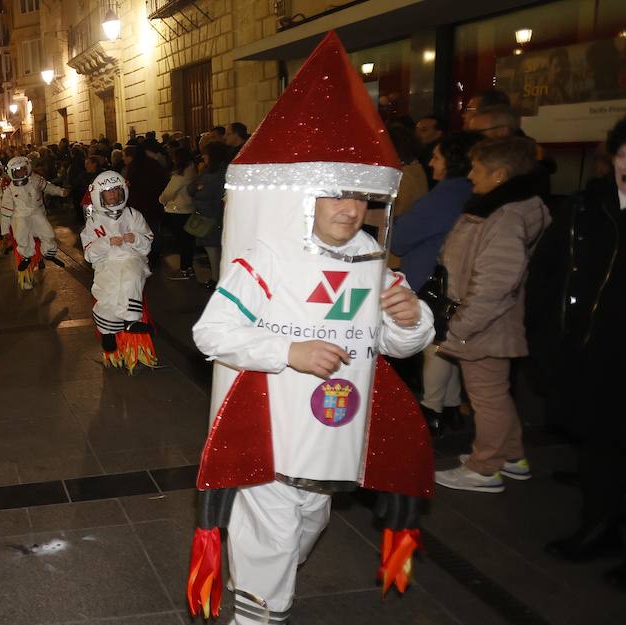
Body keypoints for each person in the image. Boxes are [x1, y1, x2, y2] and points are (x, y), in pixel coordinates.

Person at [186, 32, 435, 624]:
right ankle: (259, 613)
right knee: (270, 537)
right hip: (272, 424)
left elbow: (399, 343)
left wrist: (411, 319)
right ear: (306, 197)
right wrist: (289, 351)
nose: (349, 209)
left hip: (337, 431)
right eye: (335, 195)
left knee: (306, 525)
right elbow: (211, 333)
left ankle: (263, 598)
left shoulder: (372, 256)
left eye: (358, 197)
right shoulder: (266, 259)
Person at [531, 117, 626, 586]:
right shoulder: (589, 206)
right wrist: (547, 334)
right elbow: (548, 272)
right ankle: (601, 525)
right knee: (601, 445)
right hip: (595, 348)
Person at [434, 136, 550, 493]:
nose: (470, 175)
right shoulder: (504, 207)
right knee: (493, 393)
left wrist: (461, 325)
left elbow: (495, 283)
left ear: (500, 174)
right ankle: (512, 456)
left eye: (477, 169)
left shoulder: (506, 215)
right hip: (488, 321)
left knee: (486, 395)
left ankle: (485, 468)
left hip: (486, 323)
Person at [390, 132, 481, 436]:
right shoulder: (472, 192)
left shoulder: (445, 195)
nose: (431, 162)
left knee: (434, 343)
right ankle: (451, 407)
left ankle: (433, 410)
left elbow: (401, 238)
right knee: (447, 343)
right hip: (460, 279)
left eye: (437, 157)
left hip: (434, 279)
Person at [81, 171, 156, 371]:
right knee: (108, 292)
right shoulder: (93, 221)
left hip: (132, 258)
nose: (113, 196)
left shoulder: (134, 215)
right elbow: (89, 254)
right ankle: (107, 332)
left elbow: (148, 243)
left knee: (132, 278)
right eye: (107, 192)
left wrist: (136, 239)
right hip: (107, 264)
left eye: (116, 190)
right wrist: (106, 243)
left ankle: (132, 320)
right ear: (99, 196)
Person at [0, 155, 68, 290]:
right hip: (20, 217)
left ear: (27, 169)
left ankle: (48, 252)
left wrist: (60, 192)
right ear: (11, 173)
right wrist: (5, 231)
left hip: (37, 214)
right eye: (17, 171)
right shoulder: (10, 190)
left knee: (48, 233)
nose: (20, 173)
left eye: (22, 170)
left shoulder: (35, 180)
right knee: (22, 238)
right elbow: (6, 212)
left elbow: (48, 187)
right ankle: (26, 260)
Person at [191, 142, 229, 287]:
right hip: (209, 214)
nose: (203, 157)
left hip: (211, 215)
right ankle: (216, 278)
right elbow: (193, 188)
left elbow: (203, 192)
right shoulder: (209, 171)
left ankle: (216, 279)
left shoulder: (216, 174)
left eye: (206, 154)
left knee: (213, 249)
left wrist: (198, 190)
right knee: (213, 249)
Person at [159, 146, 198, 280]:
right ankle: (188, 268)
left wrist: (162, 200)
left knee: (182, 242)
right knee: (188, 241)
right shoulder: (193, 171)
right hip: (189, 209)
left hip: (178, 210)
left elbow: (168, 193)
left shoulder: (180, 176)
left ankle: (184, 269)